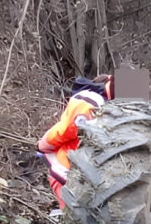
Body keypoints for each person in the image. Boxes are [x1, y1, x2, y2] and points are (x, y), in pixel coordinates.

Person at [37, 74, 114, 209]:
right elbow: (71, 129)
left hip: (74, 169)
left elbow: (66, 129)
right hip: (83, 171)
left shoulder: (90, 102)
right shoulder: (95, 103)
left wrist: (43, 144)